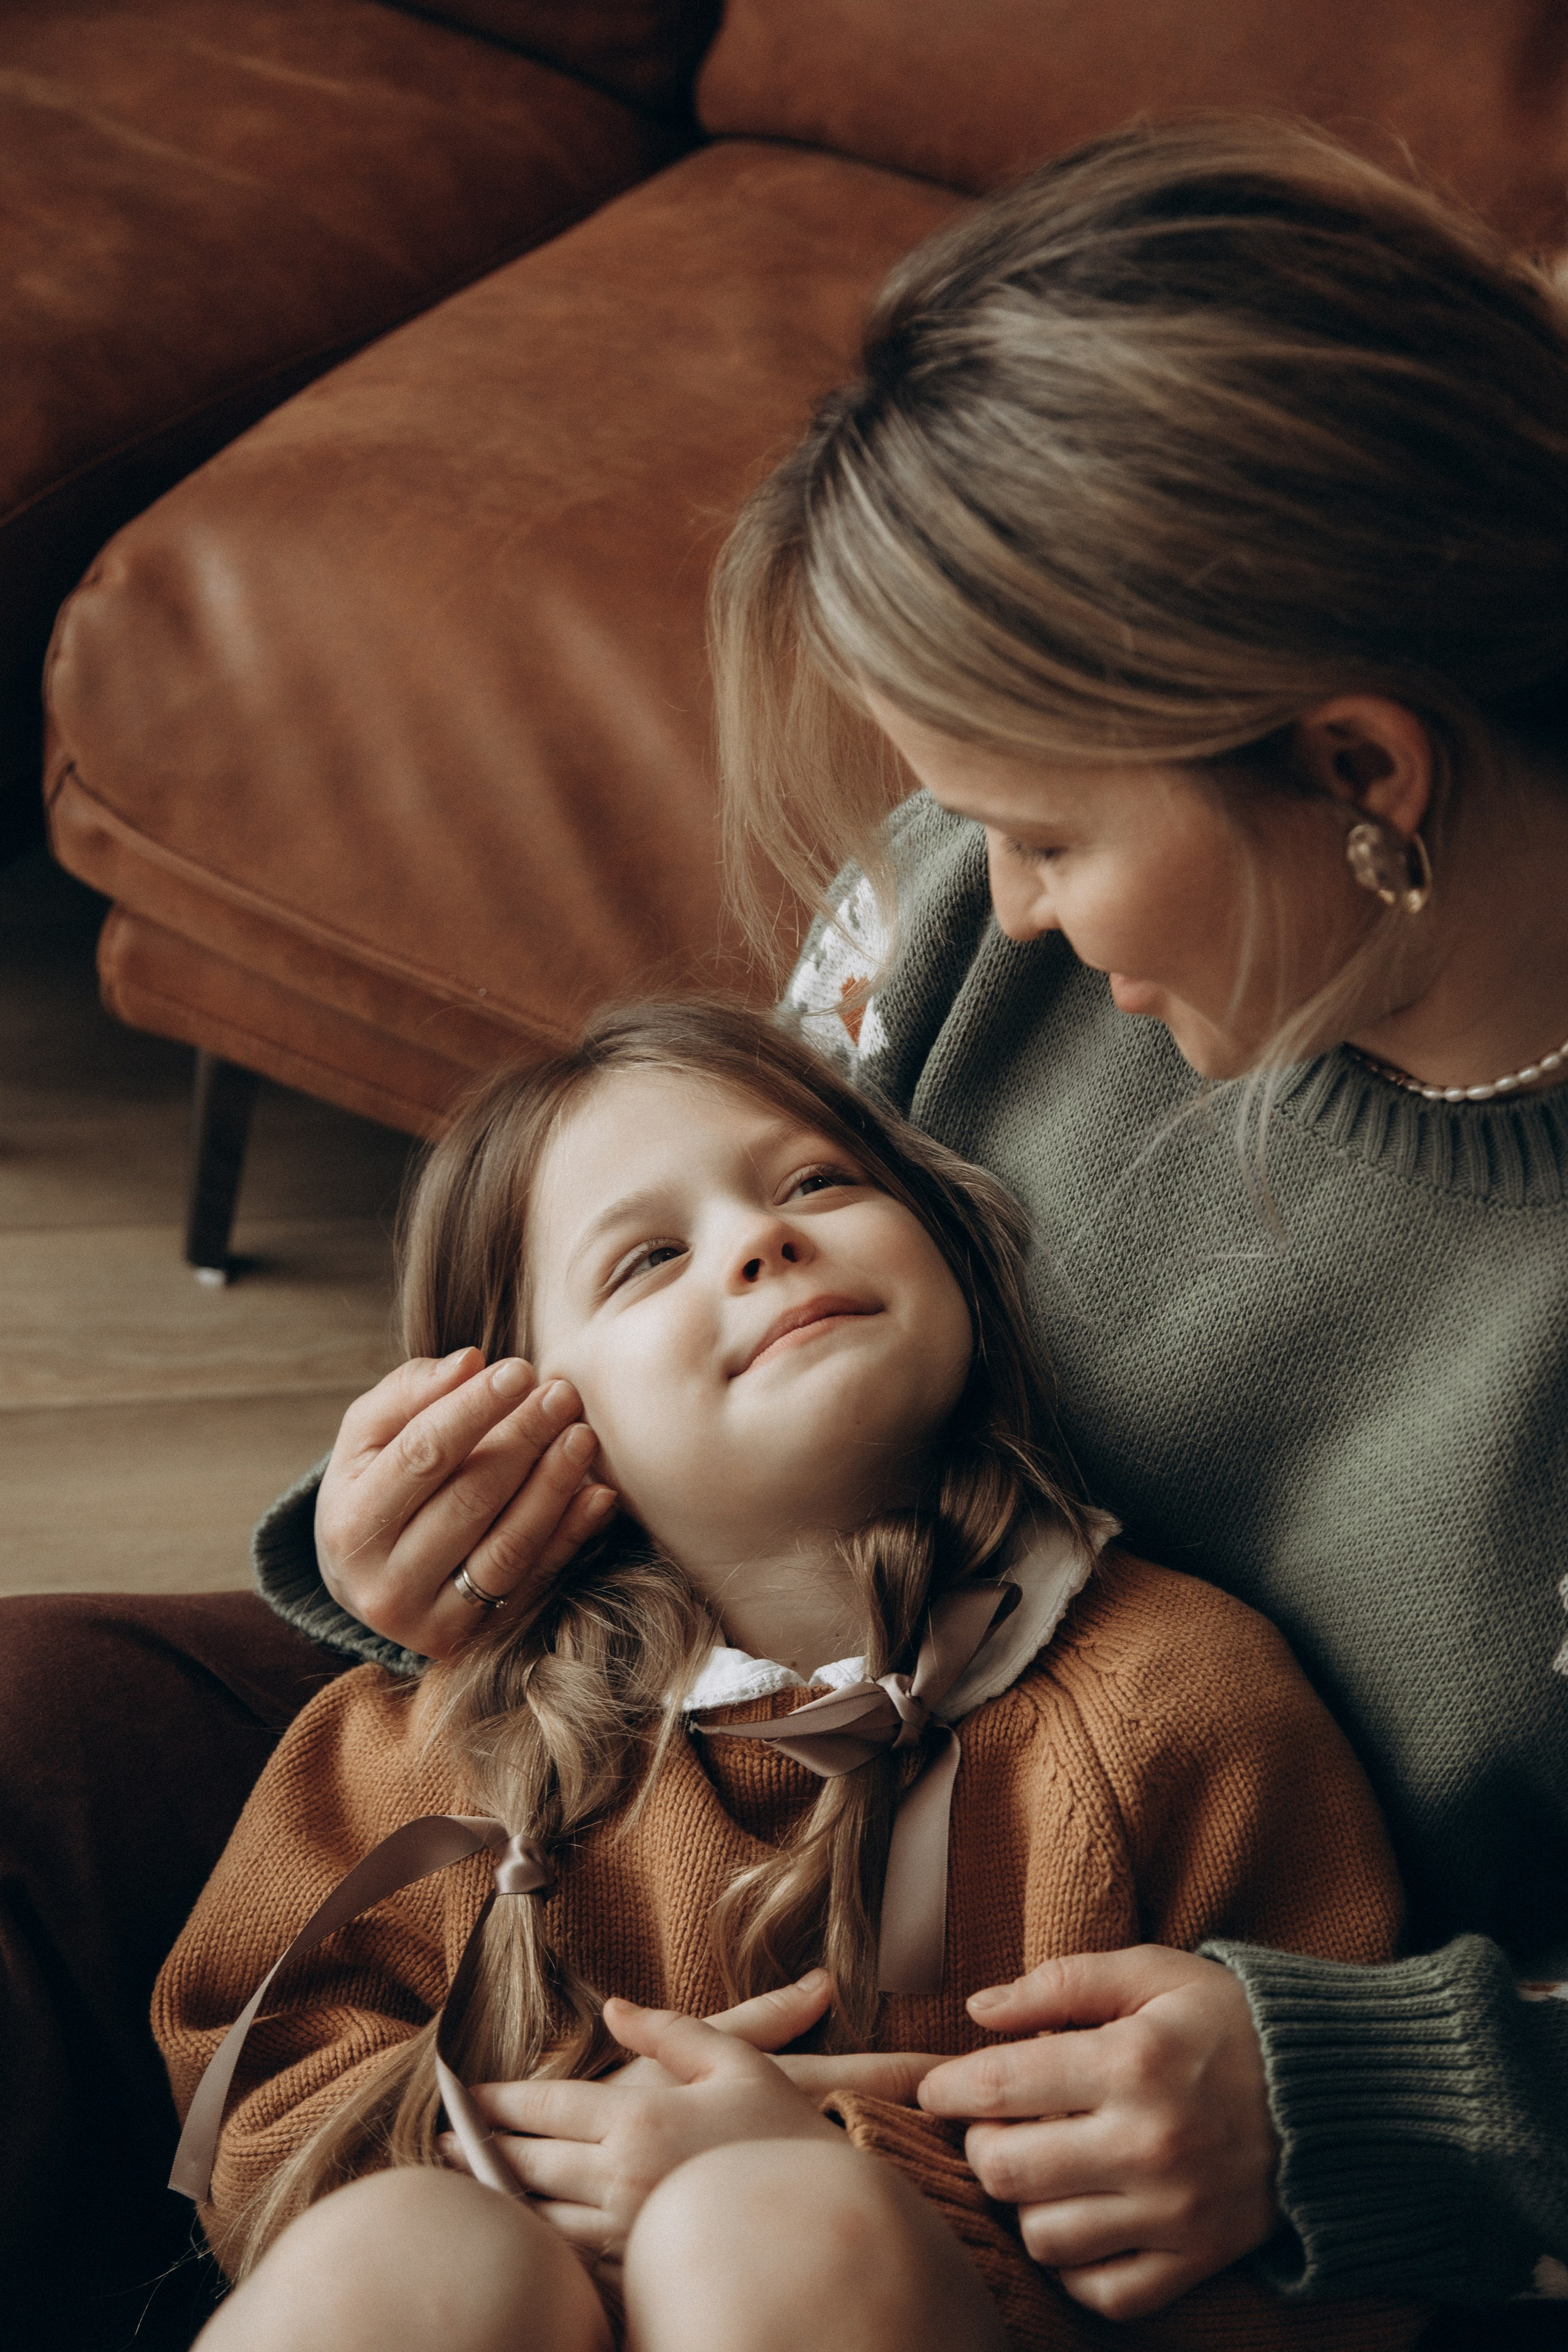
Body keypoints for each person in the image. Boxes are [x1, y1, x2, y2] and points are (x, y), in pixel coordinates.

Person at [248, 120, 1568, 2321]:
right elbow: (684, 1278)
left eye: (1046, 831)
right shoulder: (973, 913)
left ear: (1362, 773)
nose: (1007, 907)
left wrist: (1404, 2091)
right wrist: (446, 1530)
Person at [157, 1002, 1420, 2352]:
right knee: (400, 2250)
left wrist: (842, 2167)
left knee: (765, 2229)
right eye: (646, 1258)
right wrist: (538, 2171)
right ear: (522, 1421)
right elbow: (259, 2083)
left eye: (817, 1182)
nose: (763, 1240)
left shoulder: (1180, 1702)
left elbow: (1318, 2244)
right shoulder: (447, 1739)